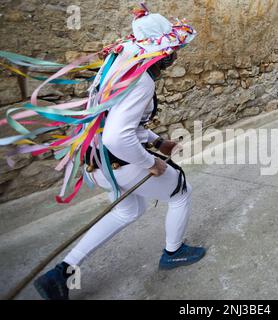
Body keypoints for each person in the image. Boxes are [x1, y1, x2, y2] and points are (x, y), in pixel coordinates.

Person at [33, 7, 206, 300]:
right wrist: (150, 162)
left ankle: (61, 273)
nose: (174, 56)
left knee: (128, 210)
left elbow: (114, 121)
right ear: (160, 52)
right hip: (119, 160)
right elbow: (117, 135)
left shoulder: (119, 66)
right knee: (180, 192)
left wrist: (155, 140)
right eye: (172, 50)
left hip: (97, 161)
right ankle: (173, 252)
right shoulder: (143, 80)